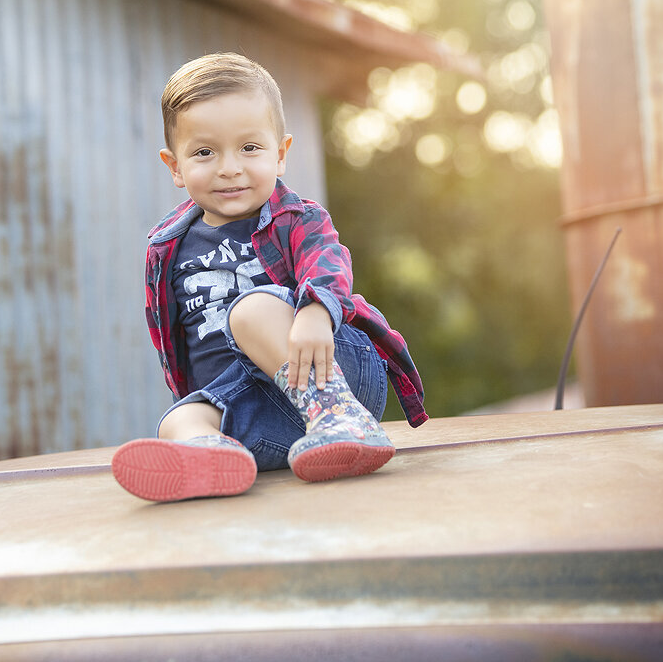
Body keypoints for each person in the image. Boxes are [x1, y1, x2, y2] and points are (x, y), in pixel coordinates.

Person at [111, 53, 428, 502]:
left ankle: (341, 418)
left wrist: (317, 312)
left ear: (280, 154)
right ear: (175, 167)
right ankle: (214, 458)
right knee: (177, 420)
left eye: (250, 148)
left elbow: (328, 262)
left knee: (252, 309)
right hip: (258, 409)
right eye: (204, 152)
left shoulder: (296, 219)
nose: (229, 167)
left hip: (329, 365)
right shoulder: (167, 248)